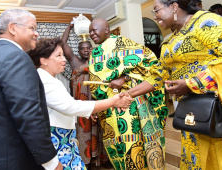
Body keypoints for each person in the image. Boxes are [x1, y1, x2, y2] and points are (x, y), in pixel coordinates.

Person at [123, 0, 222, 169]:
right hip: (192, 106)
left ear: (174, 6)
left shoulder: (206, 22)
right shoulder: (169, 41)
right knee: (197, 154)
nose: (155, 16)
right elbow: (158, 75)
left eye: (156, 10)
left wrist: (192, 83)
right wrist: (127, 94)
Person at [0, 9, 63, 170]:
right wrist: (51, 162)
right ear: (13, 28)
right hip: (12, 158)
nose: (36, 34)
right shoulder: (16, 57)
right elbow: (28, 115)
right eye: (32, 28)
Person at [28, 37, 133, 170]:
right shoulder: (45, 80)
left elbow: (69, 104)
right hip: (57, 140)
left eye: (63, 55)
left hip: (65, 138)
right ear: (44, 60)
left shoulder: (48, 78)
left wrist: (92, 111)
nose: (64, 59)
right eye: (58, 56)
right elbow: (72, 107)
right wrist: (113, 101)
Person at [88, 18, 167, 170]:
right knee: (117, 145)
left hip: (131, 105)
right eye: (90, 31)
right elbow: (95, 82)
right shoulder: (95, 53)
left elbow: (152, 66)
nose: (92, 34)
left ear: (106, 30)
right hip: (110, 108)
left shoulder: (124, 43)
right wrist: (96, 106)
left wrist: (125, 77)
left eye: (94, 30)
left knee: (135, 143)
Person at [62, 22, 109, 168]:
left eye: (89, 48)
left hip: (97, 103)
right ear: (78, 50)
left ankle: (100, 160)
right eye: (83, 48)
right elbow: (62, 43)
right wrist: (69, 26)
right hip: (81, 105)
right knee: (83, 133)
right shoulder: (74, 61)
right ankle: (85, 160)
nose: (87, 50)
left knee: (99, 131)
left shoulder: (98, 61)